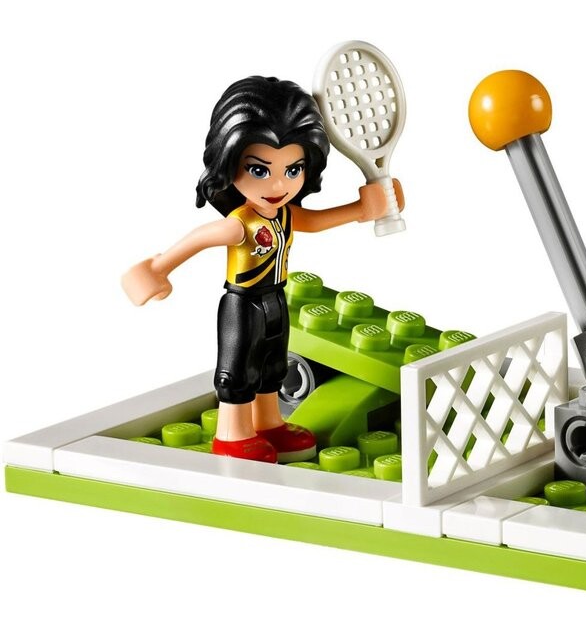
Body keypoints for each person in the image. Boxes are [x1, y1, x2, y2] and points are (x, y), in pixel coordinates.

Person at [122, 75, 404, 464]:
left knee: (272, 365)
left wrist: (363, 210)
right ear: (229, 162)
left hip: (275, 297)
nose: (278, 184)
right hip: (243, 304)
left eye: (293, 169)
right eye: (259, 170)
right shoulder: (239, 223)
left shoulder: (285, 215)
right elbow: (200, 238)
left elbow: (315, 221)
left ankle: (268, 423)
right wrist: (157, 268)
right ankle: (232, 434)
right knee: (238, 369)